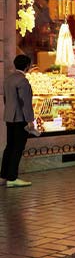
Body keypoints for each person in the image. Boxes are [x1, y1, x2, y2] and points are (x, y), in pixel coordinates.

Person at [1, 55, 35, 187]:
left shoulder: (8, 79)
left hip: (9, 117)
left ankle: (3, 175)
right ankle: (12, 177)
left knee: (9, 147)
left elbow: (5, 99)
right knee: (18, 147)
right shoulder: (23, 81)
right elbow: (25, 103)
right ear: (27, 66)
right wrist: (30, 120)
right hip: (20, 118)